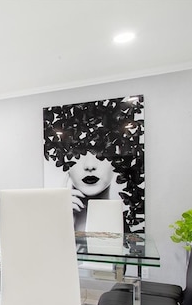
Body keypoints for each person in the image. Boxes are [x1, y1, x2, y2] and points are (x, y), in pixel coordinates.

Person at [43, 95, 145, 232]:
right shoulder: (52, 221)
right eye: (77, 154)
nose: (90, 165)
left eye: (101, 153)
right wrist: (61, 220)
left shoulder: (124, 227)